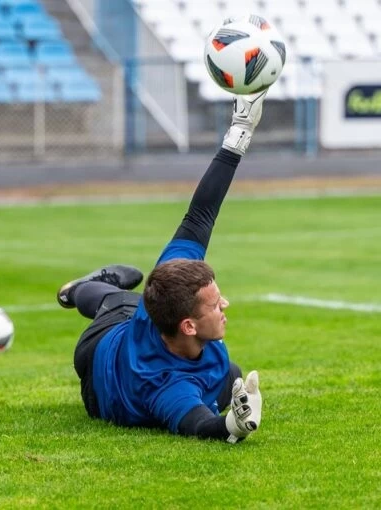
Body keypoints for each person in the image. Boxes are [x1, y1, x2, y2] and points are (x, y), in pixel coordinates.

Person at [57, 91, 267, 443]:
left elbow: (201, 214)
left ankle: (96, 291)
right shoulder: (166, 385)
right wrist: (232, 426)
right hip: (98, 352)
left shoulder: (175, 278)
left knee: (228, 372)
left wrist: (239, 132)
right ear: (188, 325)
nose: (225, 304)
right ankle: (77, 289)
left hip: (138, 331)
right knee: (115, 302)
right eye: (215, 304)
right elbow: (199, 425)